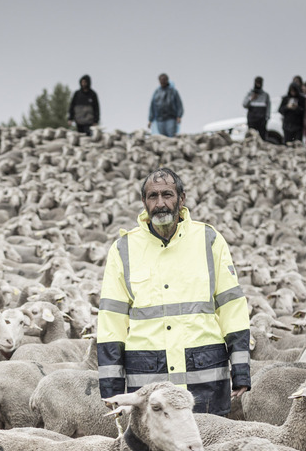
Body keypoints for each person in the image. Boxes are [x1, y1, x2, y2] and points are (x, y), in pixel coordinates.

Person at [97, 168, 251, 417]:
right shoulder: (123, 249)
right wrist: (112, 387)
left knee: (208, 449)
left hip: (205, 379)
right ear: (144, 202)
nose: (160, 203)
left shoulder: (208, 240)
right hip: (149, 381)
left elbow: (231, 306)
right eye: (152, 196)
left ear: (182, 199)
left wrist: (241, 368)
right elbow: (111, 321)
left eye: (167, 195)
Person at [242, 76, 270, 142]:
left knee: (262, 137)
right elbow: (244, 104)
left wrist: (267, 118)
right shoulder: (250, 94)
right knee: (251, 137)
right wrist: (251, 99)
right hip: (252, 119)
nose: (258, 84)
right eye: (257, 83)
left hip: (261, 120)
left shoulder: (265, 95)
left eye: (259, 83)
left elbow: (268, 107)